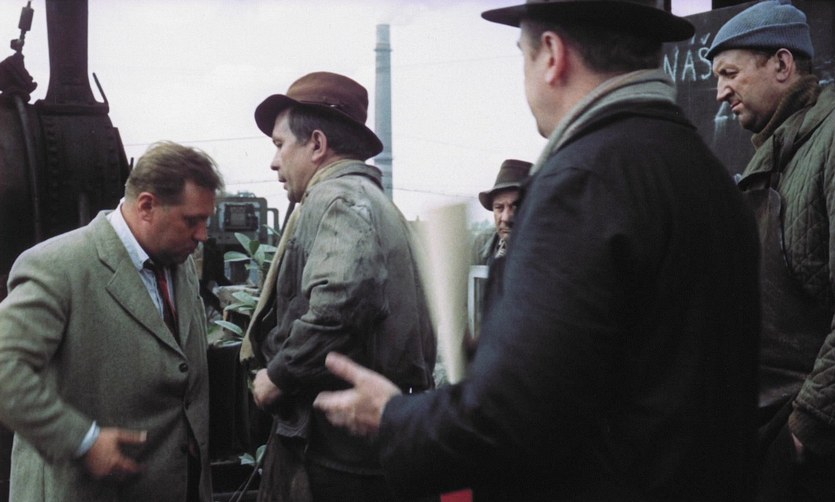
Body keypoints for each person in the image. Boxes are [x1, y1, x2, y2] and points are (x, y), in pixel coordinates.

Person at [313, 1, 762, 500]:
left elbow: (511, 418)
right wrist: (505, 344)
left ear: (551, 55)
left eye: (521, 57)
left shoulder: (580, 181)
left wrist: (395, 418)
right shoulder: (707, 173)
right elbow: (638, 362)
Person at [240, 71, 436, 502]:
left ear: (316, 144)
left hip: (333, 456)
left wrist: (278, 375)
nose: (273, 162)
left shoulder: (336, 200)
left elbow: (342, 301)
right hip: (365, 453)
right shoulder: (373, 201)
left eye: (279, 144)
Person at [0, 141, 223, 501]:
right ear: (147, 206)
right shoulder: (59, 267)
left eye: (206, 221)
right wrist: (83, 441)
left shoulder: (177, 262)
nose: (203, 235)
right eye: (191, 221)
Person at [707, 2, 835, 500]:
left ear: (782, 65)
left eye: (730, 74)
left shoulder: (830, 142)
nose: (720, 93)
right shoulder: (775, 153)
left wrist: (804, 431)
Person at [472, 159, 532, 268]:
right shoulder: (482, 243)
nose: (505, 218)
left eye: (516, 207)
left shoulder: (549, 250)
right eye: (499, 208)